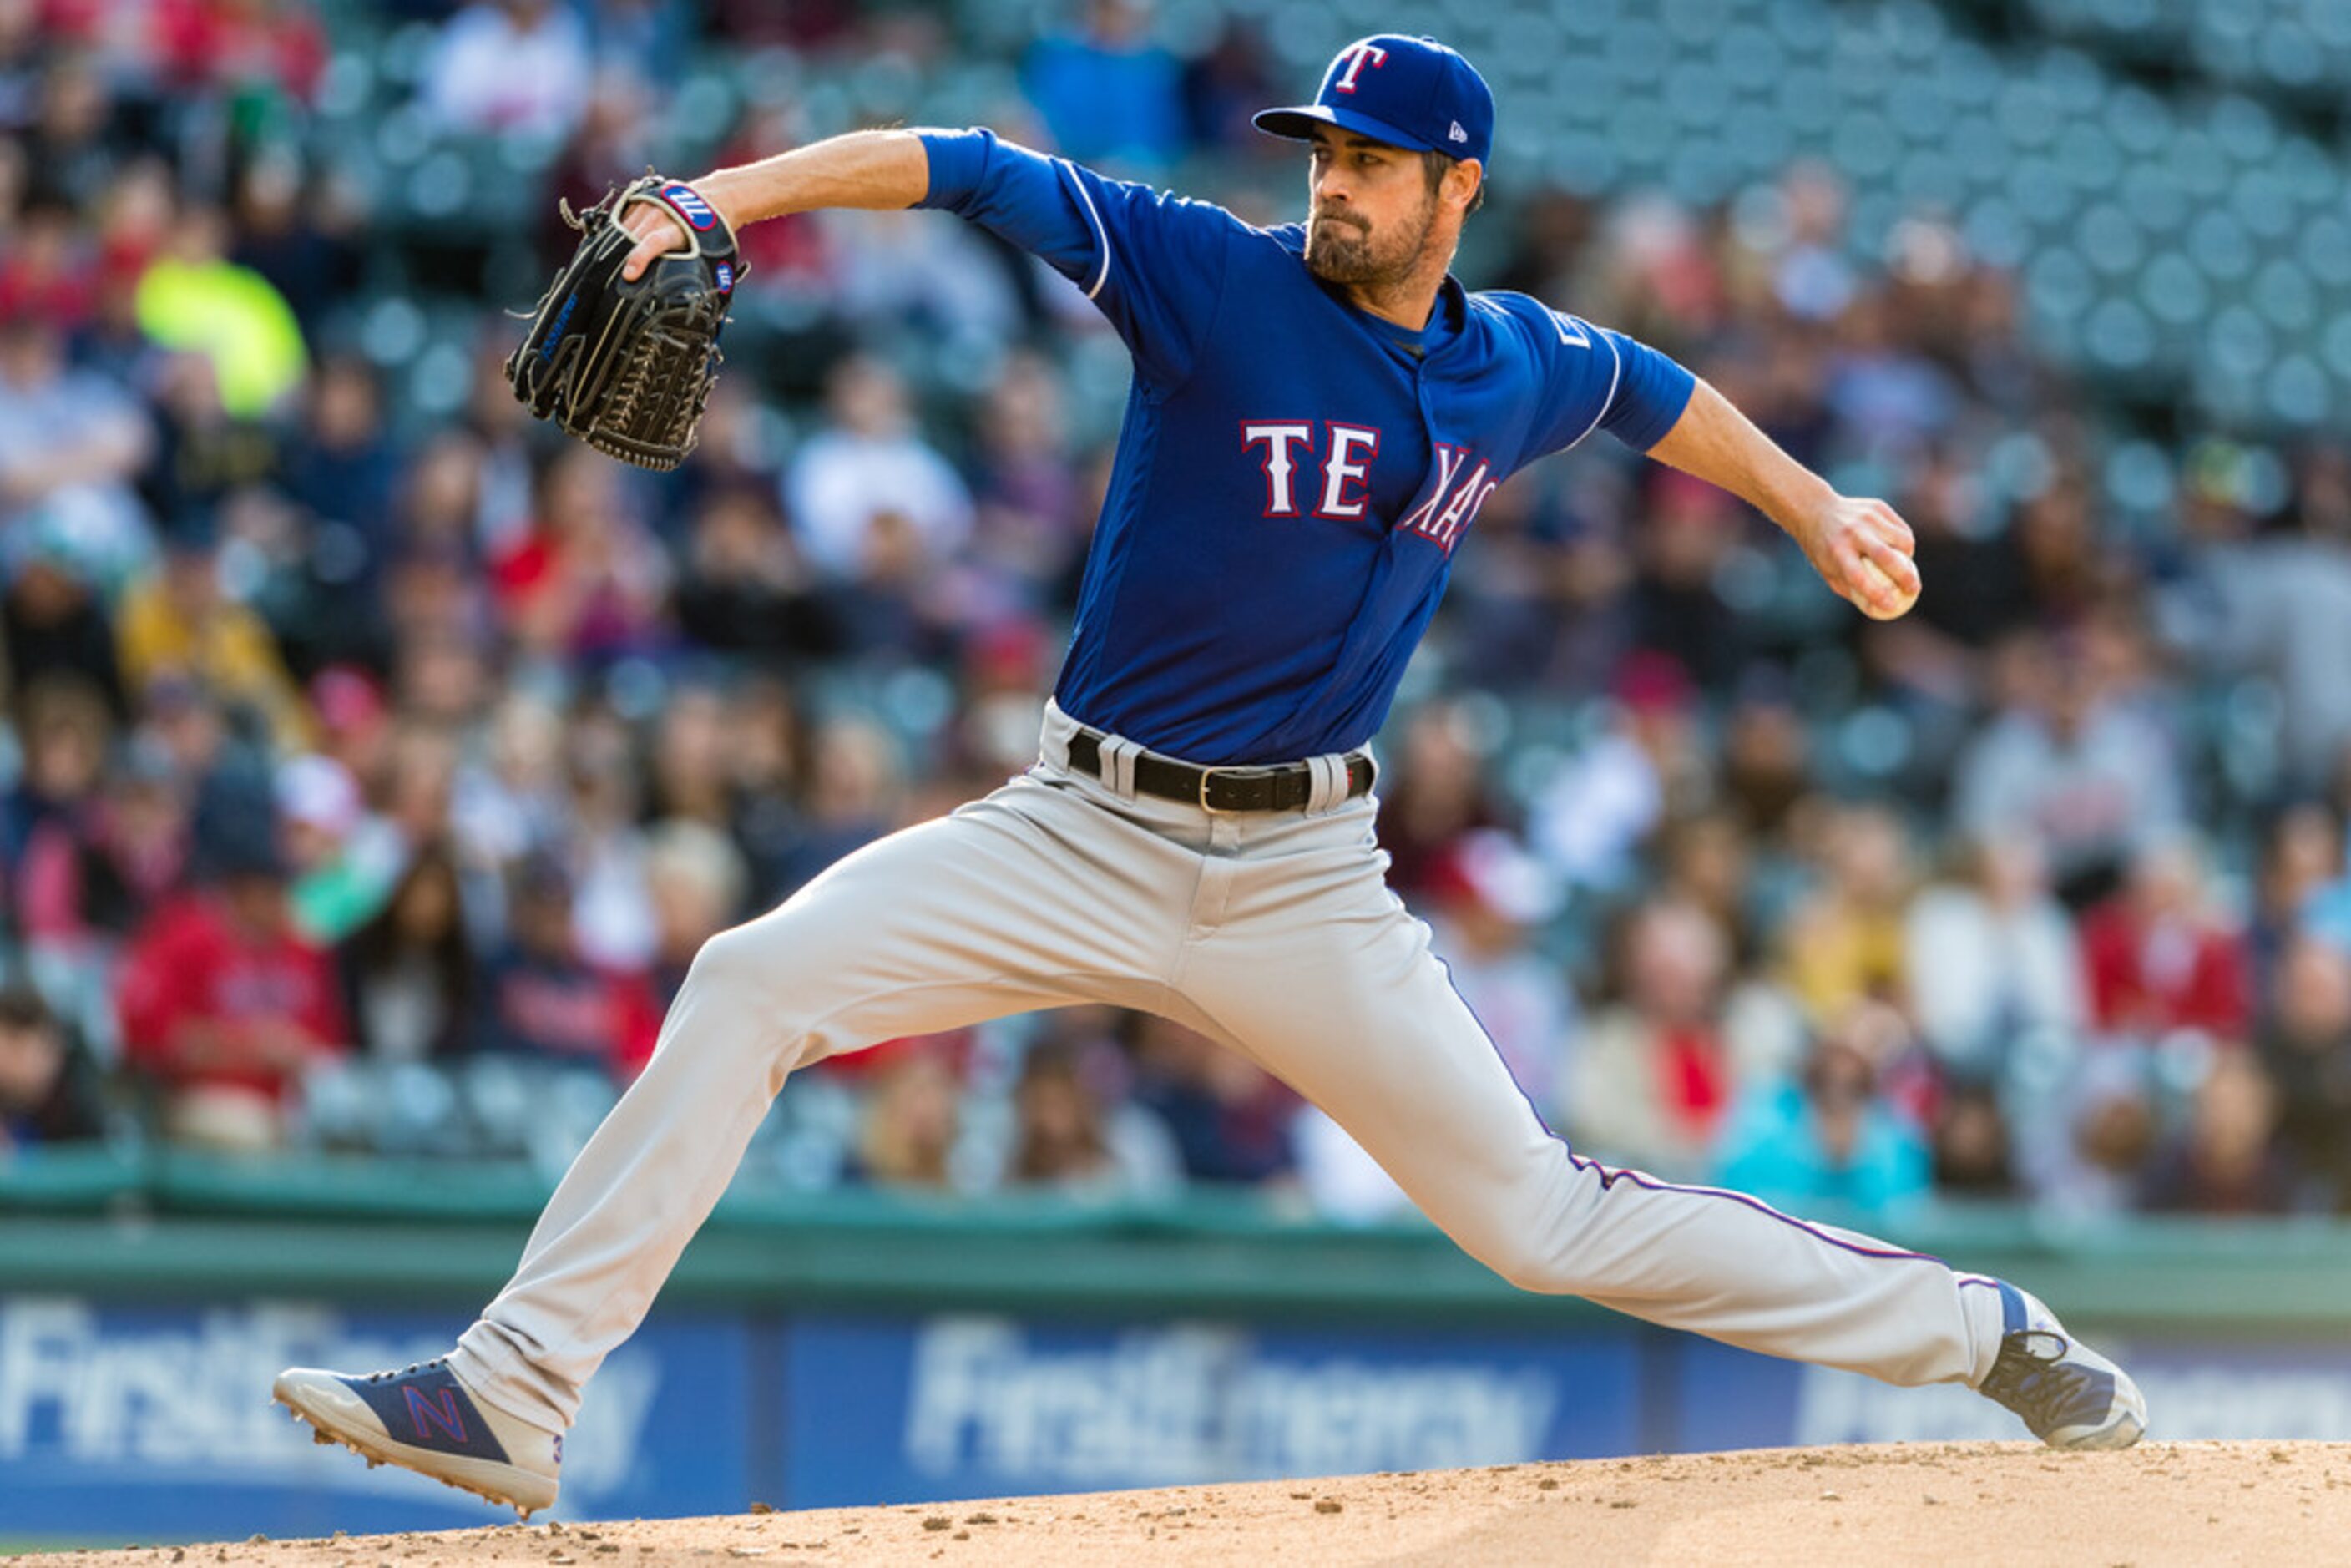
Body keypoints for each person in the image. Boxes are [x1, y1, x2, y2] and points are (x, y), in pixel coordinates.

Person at [275, 35, 2143, 1518]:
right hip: (1077, 826)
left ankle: (1980, 1335)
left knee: (1540, 1221)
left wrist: (1817, 507)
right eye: (1319, 155)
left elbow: (1655, 391)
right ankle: (513, 1393)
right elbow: (959, 164)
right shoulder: (1204, 276)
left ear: (1453, 189)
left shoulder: (1514, 365)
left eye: (1367, 164)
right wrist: (708, 199)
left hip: (1305, 885)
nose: (1328, 185)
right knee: (750, 978)